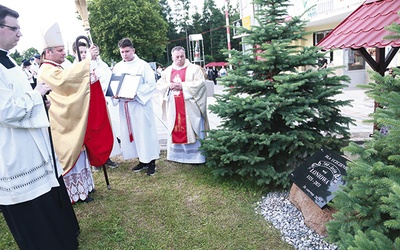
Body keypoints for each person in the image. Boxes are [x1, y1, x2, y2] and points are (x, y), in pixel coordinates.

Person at [0, 5, 80, 249]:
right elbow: (5, 111)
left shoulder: (8, 59)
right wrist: (36, 95)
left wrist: (38, 99)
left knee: (45, 201)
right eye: (14, 28)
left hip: (31, 144)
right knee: (32, 209)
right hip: (14, 150)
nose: (19, 34)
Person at [38, 23, 113, 203]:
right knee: (71, 153)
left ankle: (85, 188)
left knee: (80, 152)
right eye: (60, 50)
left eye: (64, 50)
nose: (64, 53)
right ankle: (76, 193)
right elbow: (66, 82)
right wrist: (87, 62)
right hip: (62, 121)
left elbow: (72, 80)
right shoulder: (47, 70)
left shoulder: (56, 67)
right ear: (48, 52)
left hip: (69, 118)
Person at [112, 38, 160, 176]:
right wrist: (114, 94)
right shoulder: (118, 66)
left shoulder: (142, 65)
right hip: (125, 106)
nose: (125, 54)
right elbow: (114, 83)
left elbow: (151, 84)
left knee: (145, 133)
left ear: (133, 50)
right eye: (122, 52)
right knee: (133, 135)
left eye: (127, 51)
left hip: (140, 105)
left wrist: (136, 93)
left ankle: (151, 162)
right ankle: (142, 160)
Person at [157, 46, 210, 164]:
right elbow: (160, 85)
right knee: (175, 127)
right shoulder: (167, 71)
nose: (179, 59)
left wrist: (183, 86)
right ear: (172, 57)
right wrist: (169, 86)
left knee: (192, 128)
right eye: (177, 57)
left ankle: (196, 158)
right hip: (173, 106)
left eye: (182, 56)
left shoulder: (194, 69)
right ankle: (176, 156)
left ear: (185, 55)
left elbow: (200, 84)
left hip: (190, 107)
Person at [72, 41, 120, 171]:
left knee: (105, 129)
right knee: (92, 133)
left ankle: (106, 157)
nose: (83, 54)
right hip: (87, 105)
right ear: (74, 53)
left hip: (102, 101)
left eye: (85, 51)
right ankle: (95, 160)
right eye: (80, 52)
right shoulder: (74, 67)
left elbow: (107, 78)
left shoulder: (99, 63)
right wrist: (90, 60)